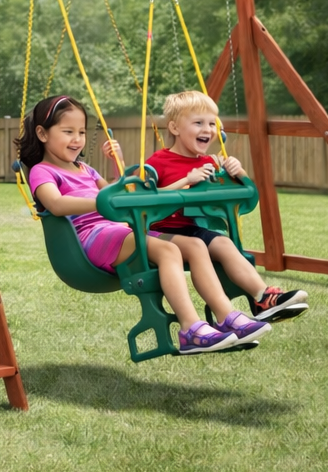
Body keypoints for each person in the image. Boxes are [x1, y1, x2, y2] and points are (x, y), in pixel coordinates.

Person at [17, 94, 271, 355]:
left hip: (120, 230)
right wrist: (102, 203)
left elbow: (121, 195)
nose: (77, 139)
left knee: (195, 244)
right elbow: (56, 204)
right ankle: (190, 329)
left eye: (81, 132)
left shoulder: (87, 170)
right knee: (169, 250)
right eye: (68, 131)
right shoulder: (42, 171)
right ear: (43, 133)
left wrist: (118, 168)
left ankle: (225, 316)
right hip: (91, 237)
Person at [146, 90, 308, 323]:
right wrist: (185, 182)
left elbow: (243, 196)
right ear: (174, 128)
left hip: (195, 227)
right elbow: (148, 197)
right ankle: (225, 313)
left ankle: (262, 298)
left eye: (212, 123)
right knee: (201, 243)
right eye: (198, 123)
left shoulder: (212, 162)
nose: (208, 129)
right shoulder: (158, 161)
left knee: (223, 242)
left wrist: (238, 172)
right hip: (163, 232)